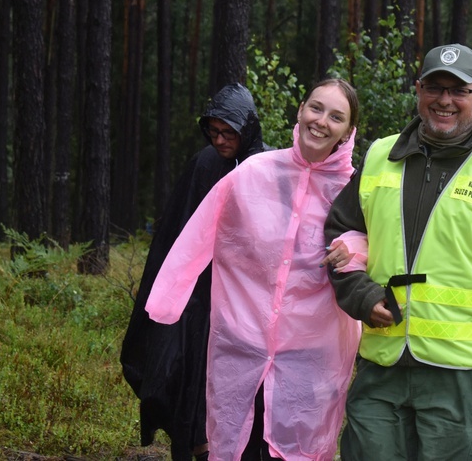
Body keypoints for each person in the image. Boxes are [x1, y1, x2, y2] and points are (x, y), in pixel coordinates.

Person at [324, 43, 472, 460]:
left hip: (463, 375)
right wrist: (361, 295)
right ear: (418, 90)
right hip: (383, 366)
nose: (444, 101)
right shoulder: (381, 155)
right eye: (434, 87)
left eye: (458, 91)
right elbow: (340, 234)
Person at [145, 78, 362, 461]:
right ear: (300, 110)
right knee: (240, 445)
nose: (321, 121)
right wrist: (165, 301)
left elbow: (380, 243)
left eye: (336, 116)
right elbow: (199, 232)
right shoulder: (255, 172)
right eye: (316, 108)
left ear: (348, 130)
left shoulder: (356, 188)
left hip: (312, 353)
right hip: (242, 344)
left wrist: (357, 250)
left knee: (298, 450)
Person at [121, 83, 265, 461]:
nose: (220, 140)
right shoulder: (204, 164)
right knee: (184, 373)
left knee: (236, 379)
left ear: (247, 129)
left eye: (228, 132)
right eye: (213, 131)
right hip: (197, 296)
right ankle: (196, 448)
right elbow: (177, 233)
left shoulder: (264, 167)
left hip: (242, 298)